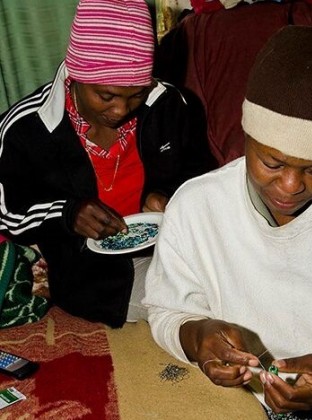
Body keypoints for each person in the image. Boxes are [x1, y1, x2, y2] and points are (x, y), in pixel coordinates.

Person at [143, 26, 312, 418]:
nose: (290, 186)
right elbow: (168, 310)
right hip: (243, 399)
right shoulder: (197, 206)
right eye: (271, 162)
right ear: (246, 133)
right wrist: (197, 336)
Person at [0, 0, 215, 328]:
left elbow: (201, 174)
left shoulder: (171, 106)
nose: (120, 111)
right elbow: (7, 215)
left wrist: (167, 193)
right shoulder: (27, 129)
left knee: (250, 274)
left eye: (136, 95)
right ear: (76, 75)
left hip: (175, 245)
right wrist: (67, 214)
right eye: (106, 96)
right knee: (200, 304)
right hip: (94, 273)